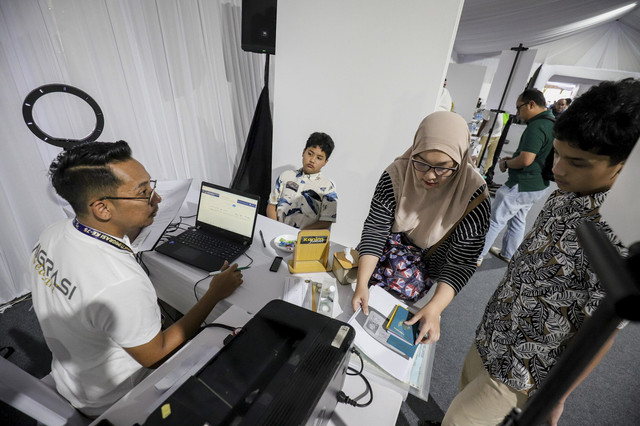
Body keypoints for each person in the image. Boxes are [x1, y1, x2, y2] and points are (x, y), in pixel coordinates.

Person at [442, 78, 640, 426]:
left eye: (578, 162)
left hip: (525, 369)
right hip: (493, 333)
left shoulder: (624, 230)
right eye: (559, 154)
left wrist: (557, 394)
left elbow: (603, 327)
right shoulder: (567, 192)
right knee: (459, 400)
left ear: (624, 163)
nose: (558, 169)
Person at [29, 141, 244, 416]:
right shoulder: (120, 282)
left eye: (151, 186)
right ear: (102, 209)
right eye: (143, 192)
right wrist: (214, 293)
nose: (157, 199)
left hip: (71, 377)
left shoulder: (52, 233)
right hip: (117, 398)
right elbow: (156, 356)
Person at [351, 111, 490, 344]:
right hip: (384, 257)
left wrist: (435, 309)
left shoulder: (474, 195)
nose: (430, 176)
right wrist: (362, 283)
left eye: (443, 167)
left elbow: (461, 261)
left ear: (461, 159)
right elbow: (376, 228)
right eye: (421, 163)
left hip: (430, 267)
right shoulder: (396, 174)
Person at [478, 89, 554, 265]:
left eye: (519, 108)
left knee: (496, 219)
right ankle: (508, 253)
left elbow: (526, 159)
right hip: (537, 184)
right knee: (518, 218)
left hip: (523, 183)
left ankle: (476, 255)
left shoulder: (537, 126)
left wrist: (506, 164)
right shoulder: (551, 123)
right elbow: (536, 155)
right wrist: (514, 159)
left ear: (531, 104)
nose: (518, 113)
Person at [267, 132, 338, 229]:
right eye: (310, 154)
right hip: (278, 235)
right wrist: (275, 228)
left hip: (303, 240)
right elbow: (272, 205)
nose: (312, 160)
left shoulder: (327, 187)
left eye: (319, 158)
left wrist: (300, 234)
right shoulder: (286, 176)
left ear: (325, 162)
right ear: (303, 152)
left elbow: (326, 221)